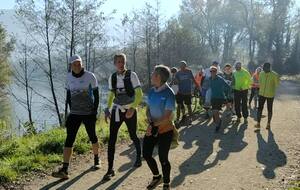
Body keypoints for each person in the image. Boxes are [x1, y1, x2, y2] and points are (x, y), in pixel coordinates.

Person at [52, 55, 100, 179]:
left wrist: (94, 111)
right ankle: (65, 169)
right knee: (69, 139)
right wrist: (70, 110)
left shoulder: (90, 76)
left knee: (92, 136)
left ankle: (97, 159)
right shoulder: (68, 77)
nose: (77, 66)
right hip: (74, 113)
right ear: (71, 65)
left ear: (81, 64)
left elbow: (96, 95)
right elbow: (68, 95)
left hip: (88, 113)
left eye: (79, 64)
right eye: (74, 64)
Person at [103, 53, 143, 180]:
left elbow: (139, 94)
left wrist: (132, 108)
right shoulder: (113, 77)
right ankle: (110, 169)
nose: (121, 64)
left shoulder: (132, 75)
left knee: (133, 135)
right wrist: (107, 109)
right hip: (116, 109)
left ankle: (138, 158)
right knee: (112, 139)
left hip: (130, 109)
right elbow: (110, 95)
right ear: (115, 63)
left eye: (123, 61)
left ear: (125, 62)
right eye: (118, 62)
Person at [143, 65, 175, 190]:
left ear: (158, 77)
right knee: (146, 154)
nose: (151, 76)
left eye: (153, 74)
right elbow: (148, 109)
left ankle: (166, 183)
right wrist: (150, 121)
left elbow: (167, 117)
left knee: (163, 158)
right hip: (153, 127)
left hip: (165, 130)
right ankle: (157, 177)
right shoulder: (151, 91)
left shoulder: (169, 93)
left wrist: (152, 125)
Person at [255, 63, 280, 130]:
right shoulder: (261, 74)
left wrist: (277, 78)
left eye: (265, 68)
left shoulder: (274, 75)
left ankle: (268, 123)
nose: (264, 69)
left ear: (269, 68)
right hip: (261, 94)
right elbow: (260, 83)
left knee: (269, 109)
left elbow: (277, 84)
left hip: (270, 95)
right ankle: (258, 123)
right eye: (263, 68)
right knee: (259, 108)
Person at [210, 66, 230, 132]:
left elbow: (227, 86)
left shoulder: (220, 79)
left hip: (219, 98)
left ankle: (218, 125)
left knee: (215, 111)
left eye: (214, 71)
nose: (212, 72)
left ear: (216, 72)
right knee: (214, 113)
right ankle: (218, 121)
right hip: (213, 98)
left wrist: (226, 93)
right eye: (211, 71)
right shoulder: (209, 79)